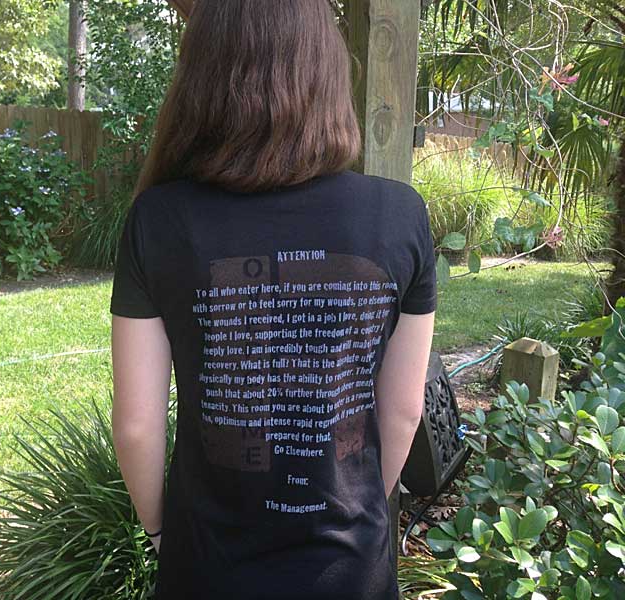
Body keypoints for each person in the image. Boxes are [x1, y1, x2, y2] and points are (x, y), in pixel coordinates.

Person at [109, 1, 437, 598]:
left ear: (202, 75)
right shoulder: (400, 216)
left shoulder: (158, 219)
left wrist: (160, 533)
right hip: (351, 571)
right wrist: (361, 515)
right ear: (328, 71)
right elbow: (403, 413)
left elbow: (136, 427)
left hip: (206, 569)